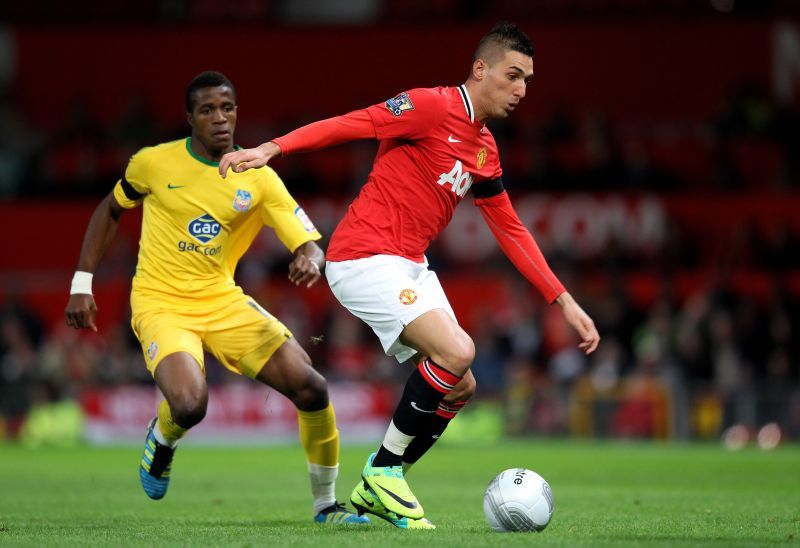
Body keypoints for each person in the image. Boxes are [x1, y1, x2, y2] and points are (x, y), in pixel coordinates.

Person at [219, 22, 600, 529]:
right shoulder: (429, 106)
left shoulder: (485, 150)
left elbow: (511, 230)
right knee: (458, 350)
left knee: (460, 385)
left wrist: (563, 299)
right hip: (362, 255)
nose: (521, 90)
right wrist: (271, 150)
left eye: (528, 80)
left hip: (410, 265)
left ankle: (383, 478)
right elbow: (350, 123)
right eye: (513, 76)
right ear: (480, 69)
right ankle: (382, 472)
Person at [64, 71, 369, 526]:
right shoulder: (153, 163)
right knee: (190, 404)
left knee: (312, 386)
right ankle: (163, 439)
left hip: (222, 302)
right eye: (207, 110)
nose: (220, 118)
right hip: (160, 303)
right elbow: (110, 209)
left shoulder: (259, 178)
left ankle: (326, 506)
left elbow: (305, 239)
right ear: (190, 118)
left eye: (227, 108)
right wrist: (81, 284)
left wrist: (310, 257)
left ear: (237, 113)